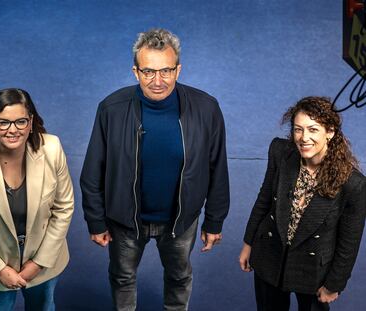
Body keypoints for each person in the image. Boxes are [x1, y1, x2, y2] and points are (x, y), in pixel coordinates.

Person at [80, 28, 229, 310]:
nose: (158, 81)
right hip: (125, 220)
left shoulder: (206, 108)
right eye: (148, 72)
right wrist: (95, 220)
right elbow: (92, 171)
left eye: (166, 71)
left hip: (180, 221)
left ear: (178, 70)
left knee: (179, 277)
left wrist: (215, 220)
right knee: (122, 278)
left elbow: (217, 167)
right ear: (136, 72)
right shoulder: (111, 108)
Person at [239, 96, 366, 311]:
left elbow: (349, 242)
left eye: (313, 129)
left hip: (313, 271)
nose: (304, 138)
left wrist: (334, 284)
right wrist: (248, 244)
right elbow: (264, 200)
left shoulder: (353, 184)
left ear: (330, 132)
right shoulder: (281, 153)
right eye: (298, 129)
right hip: (270, 255)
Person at [0, 88, 74, 310]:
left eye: (20, 121)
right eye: (3, 123)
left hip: (43, 259)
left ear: (31, 122)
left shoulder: (52, 148)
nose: (12, 130)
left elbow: (64, 208)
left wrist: (38, 263)